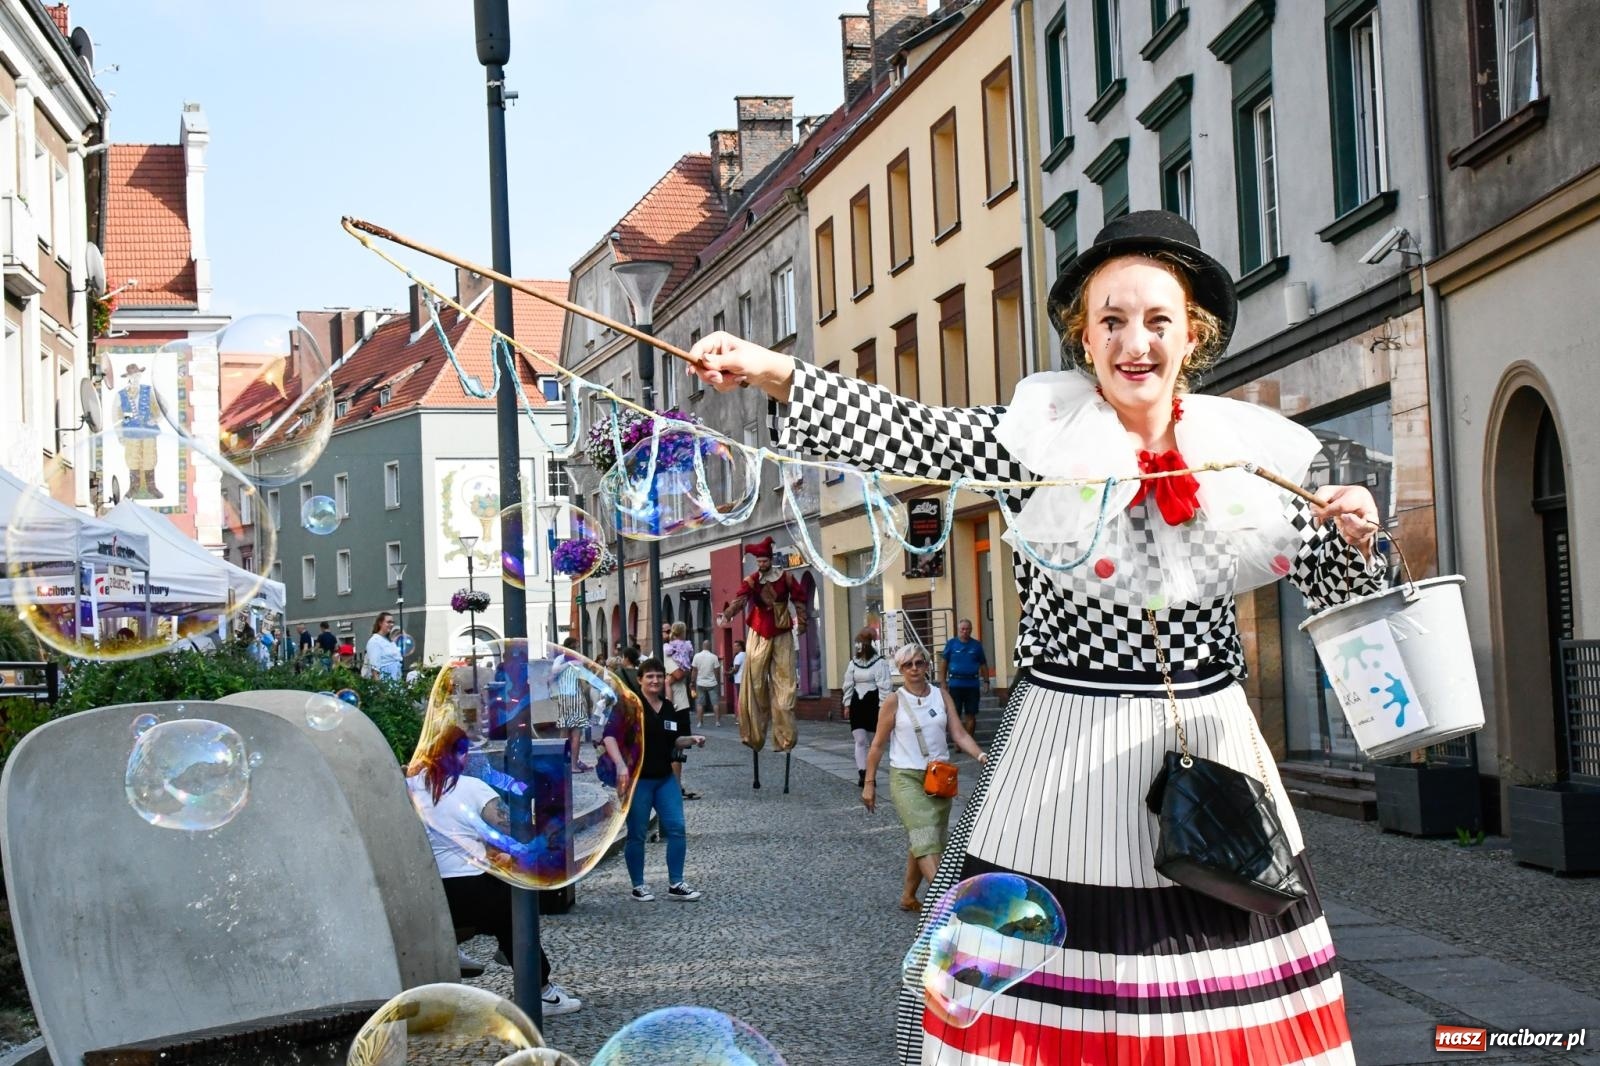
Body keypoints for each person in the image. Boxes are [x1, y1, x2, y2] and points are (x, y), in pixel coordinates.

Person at [687, 210, 1381, 1063]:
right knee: (1058, 1001)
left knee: (1215, 995)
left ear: (1191, 334)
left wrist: (1356, 533)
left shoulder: (1245, 457)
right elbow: (912, 427)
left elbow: (1339, 589)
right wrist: (771, 371)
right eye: (1113, 320)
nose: (1136, 342)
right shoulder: (1039, 445)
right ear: (1083, 339)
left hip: (1215, 749)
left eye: (1159, 320)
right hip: (1066, 762)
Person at [406, 721, 580, 1015]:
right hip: (474, 885)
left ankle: (456, 950)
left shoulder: (413, 787)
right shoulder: (472, 788)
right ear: (459, 755)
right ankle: (543, 992)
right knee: (517, 906)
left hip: (435, 891)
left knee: (499, 905)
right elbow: (512, 829)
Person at [863, 643, 986, 913]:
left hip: (940, 778)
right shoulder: (894, 701)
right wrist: (869, 783)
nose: (914, 669)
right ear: (900, 669)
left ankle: (908, 896)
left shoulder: (942, 696)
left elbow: (959, 734)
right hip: (906, 778)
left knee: (926, 839)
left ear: (928, 664)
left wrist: (980, 756)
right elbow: (877, 745)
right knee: (924, 835)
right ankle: (951, 904)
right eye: (908, 665)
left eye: (919, 663)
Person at [622, 658, 705, 903]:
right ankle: (638, 885)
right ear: (640, 680)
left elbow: (674, 740)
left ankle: (676, 883)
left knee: (677, 828)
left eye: (659, 676)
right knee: (636, 833)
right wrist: (619, 766)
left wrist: (692, 739)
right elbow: (610, 738)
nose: (655, 680)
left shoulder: (668, 707)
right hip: (640, 780)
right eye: (650, 677)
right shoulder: (631, 707)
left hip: (664, 777)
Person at [716, 537, 807, 754]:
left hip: (782, 631)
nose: (762, 565)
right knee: (755, 683)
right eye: (759, 562)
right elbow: (740, 600)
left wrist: (802, 620)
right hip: (759, 632)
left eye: (764, 561)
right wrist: (728, 614)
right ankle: (754, 734)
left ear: (770, 560)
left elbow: (799, 598)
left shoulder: (785, 578)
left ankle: (784, 737)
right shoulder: (752, 580)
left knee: (784, 682)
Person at [842, 629, 893, 789]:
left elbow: (885, 686)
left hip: (873, 703)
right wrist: (847, 703)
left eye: (861, 645)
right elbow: (848, 683)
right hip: (858, 702)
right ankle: (862, 773)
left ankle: (871, 773)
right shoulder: (853, 663)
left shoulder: (879, 663)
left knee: (874, 742)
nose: (859, 648)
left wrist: (883, 708)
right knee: (860, 740)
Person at [113, 363, 164, 500]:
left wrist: (155, 419)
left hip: (148, 431)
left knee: (150, 456)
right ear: (127, 378)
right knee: (132, 457)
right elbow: (116, 417)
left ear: (140, 376)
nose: (135, 378)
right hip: (131, 432)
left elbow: (161, 409)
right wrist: (120, 435)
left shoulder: (148, 391)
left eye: (137, 375)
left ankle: (151, 487)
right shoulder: (121, 395)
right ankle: (134, 487)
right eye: (132, 376)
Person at [939, 619, 989, 738]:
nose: (965, 631)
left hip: (972, 685)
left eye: (967, 629)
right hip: (955, 685)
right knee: (954, 715)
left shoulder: (976, 645)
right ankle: (958, 741)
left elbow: (983, 664)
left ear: (971, 630)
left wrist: (986, 681)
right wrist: (943, 682)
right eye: (962, 629)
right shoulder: (951, 644)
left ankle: (968, 740)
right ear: (958, 630)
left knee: (970, 714)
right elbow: (944, 664)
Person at [552, 639, 590, 774]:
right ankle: (573, 765)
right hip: (576, 699)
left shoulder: (559, 660)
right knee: (576, 735)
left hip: (563, 699)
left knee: (564, 733)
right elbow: (584, 685)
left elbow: (553, 674)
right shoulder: (578, 663)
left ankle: (562, 763)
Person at [691, 641, 722, 727]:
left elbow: (694, 670)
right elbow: (717, 671)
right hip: (712, 683)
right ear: (710, 646)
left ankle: (700, 722)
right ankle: (717, 721)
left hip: (700, 683)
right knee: (715, 703)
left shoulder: (697, 656)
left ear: (702, 646)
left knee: (700, 703)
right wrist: (717, 681)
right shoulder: (714, 657)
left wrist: (692, 681)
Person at [364, 612, 402, 681]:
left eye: (393, 622)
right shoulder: (375, 641)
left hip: (395, 681)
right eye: (388, 622)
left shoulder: (390, 641)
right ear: (380, 623)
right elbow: (374, 669)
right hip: (385, 682)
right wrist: (380, 689)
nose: (392, 625)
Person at [731, 639, 746, 711]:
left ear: (740, 647)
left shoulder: (738, 656)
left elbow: (736, 669)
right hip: (745, 679)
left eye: (736, 646)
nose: (735, 648)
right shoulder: (746, 654)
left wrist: (727, 673)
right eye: (734, 646)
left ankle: (741, 716)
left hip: (739, 680)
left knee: (740, 698)